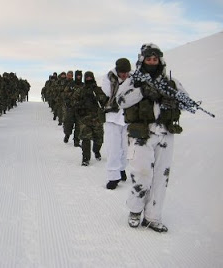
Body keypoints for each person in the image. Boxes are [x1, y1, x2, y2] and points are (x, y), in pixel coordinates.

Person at [117, 43, 187, 232]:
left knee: (160, 178)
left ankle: (152, 216)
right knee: (142, 174)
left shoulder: (170, 81)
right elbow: (121, 101)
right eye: (149, 59)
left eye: (155, 59)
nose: (152, 62)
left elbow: (187, 101)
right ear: (142, 60)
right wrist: (143, 91)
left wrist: (171, 98)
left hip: (165, 135)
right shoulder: (134, 80)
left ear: (160, 60)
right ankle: (134, 210)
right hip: (141, 135)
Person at [101, 58, 131, 189]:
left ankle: (122, 169)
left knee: (126, 148)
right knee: (113, 148)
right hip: (112, 117)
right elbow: (110, 93)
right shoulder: (108, 78)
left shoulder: (134, 78)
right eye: (122, 72)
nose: (124, 75)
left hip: (128, 117)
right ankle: (113, 177)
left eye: (126, 72)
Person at [72, 71, 107, 166]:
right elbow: (73, 101)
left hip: (97, 119)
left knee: (99, 139)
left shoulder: (98, 90)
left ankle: (96, 151)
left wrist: (98, 98)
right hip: (85, 119)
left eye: (90, 78)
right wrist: (81, 105)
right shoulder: (80, 90)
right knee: (85, 139)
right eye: (87, 78)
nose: (88, 80)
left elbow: (105, 101)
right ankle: (85, 158)